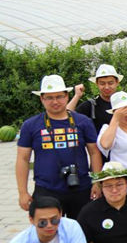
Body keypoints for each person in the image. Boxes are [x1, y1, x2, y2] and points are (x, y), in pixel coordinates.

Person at [17, 75, 103, 219]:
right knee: (48, 229)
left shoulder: (83, 122)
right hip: (46, 189)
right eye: (49, 98)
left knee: (82, 229)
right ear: (42, 99)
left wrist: (97, 182)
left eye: (59, 96)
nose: (55, 101)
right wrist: (22, 192)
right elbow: (22, 159)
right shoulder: (30, 125)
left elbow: (94, 152)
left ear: (67, 96)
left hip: (81, 188)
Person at [68, 64, 124, 137]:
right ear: (96, 84)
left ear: (117, 82)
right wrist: (77, 96)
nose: (106, 87)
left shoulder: (125, 104)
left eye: (110, 83)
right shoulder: (91, 106)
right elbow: (65, 118)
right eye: (102, 83)